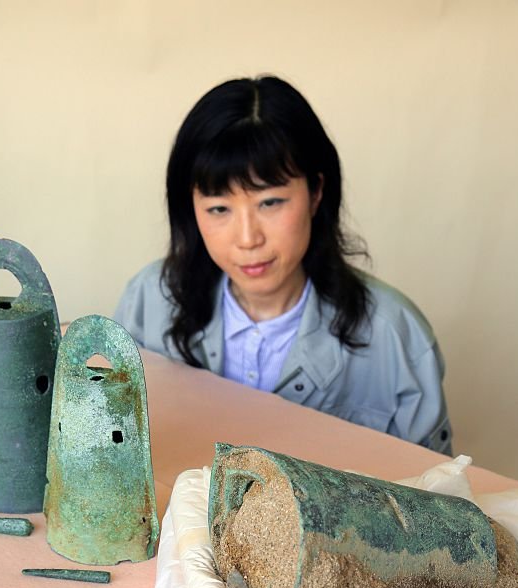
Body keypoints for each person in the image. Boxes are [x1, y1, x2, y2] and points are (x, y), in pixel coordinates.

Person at [114, 75, 452, 454]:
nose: (247, 238)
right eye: (219, 209)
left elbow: (435, 495)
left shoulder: (396, 335)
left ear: (316, 193)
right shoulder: (148, 301)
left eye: (270, 203)